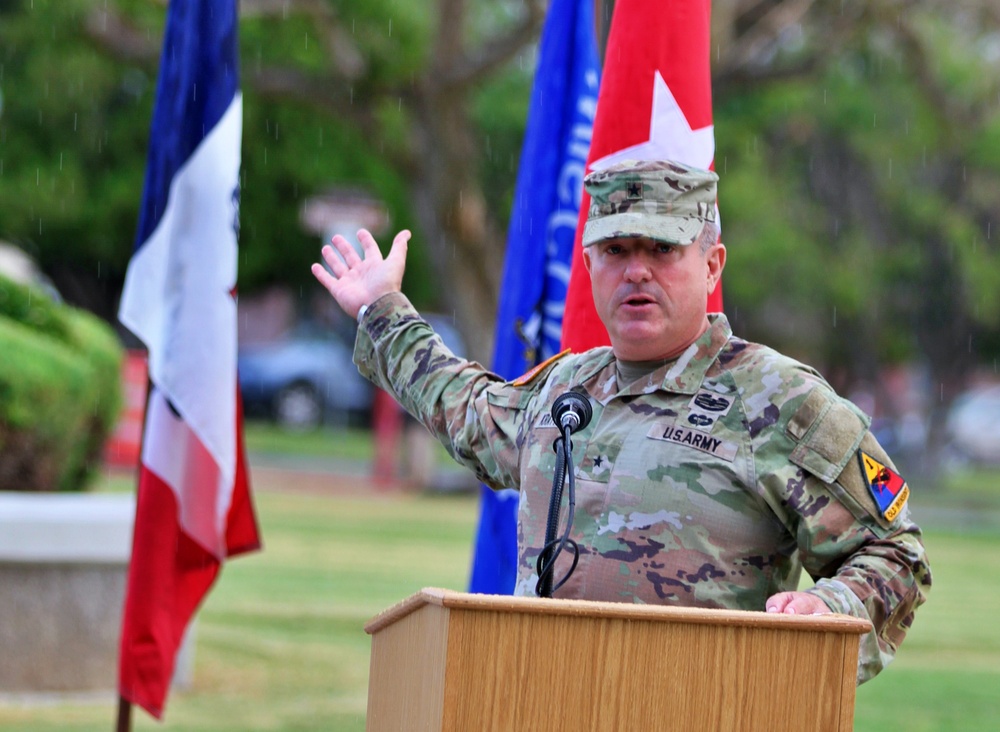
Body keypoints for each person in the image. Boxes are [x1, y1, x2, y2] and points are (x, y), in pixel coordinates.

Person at [311, 159, 931, 683]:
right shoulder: (566, 388)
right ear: (589, 267)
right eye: (616, 250)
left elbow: (894, 554)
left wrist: (829, 607)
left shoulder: (781, 400)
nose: (637, 270)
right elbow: (470, 413)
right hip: (543, 700)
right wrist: (382, 311)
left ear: (712, 266)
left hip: (712, 705)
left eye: (662, 249)